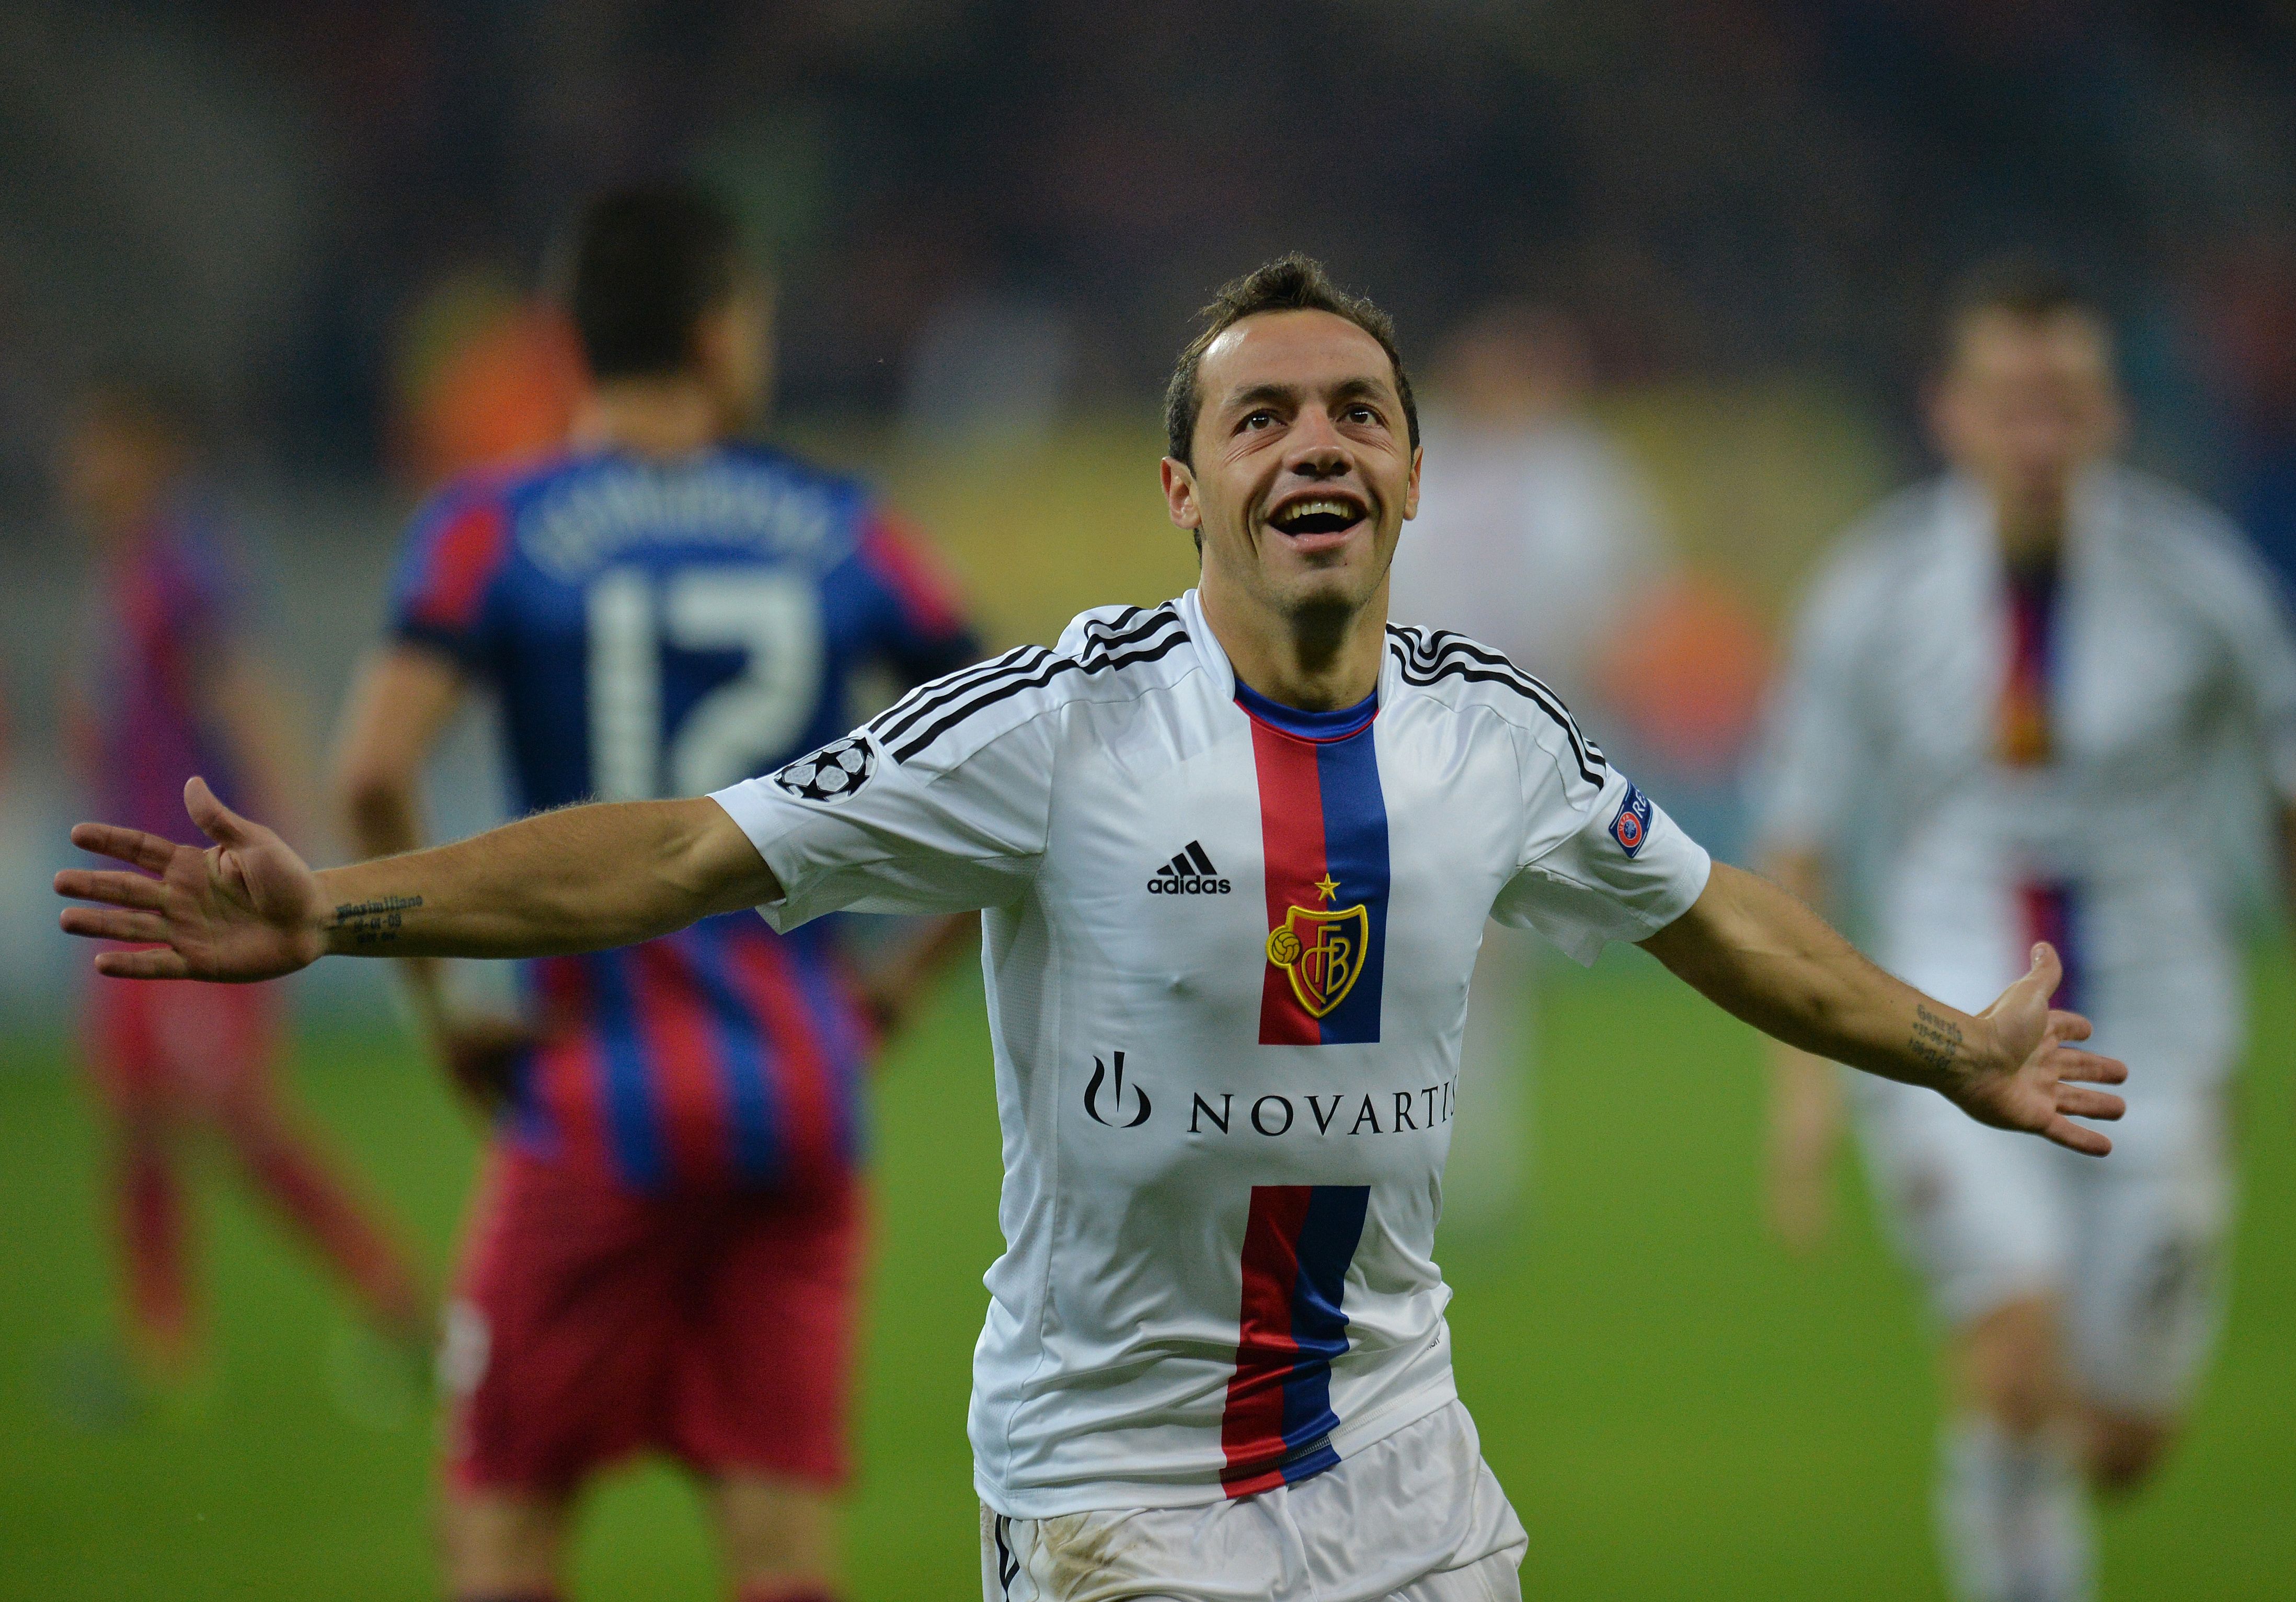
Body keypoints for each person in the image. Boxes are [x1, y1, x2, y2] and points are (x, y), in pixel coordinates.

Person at [60, 255, 2128, 1602]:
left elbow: (1712, 917)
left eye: (1353, 412)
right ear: (1181, 485)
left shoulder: (1492, 736)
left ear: (1408, 474)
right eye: (1262, 415)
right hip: (1118, 1496)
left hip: (1410, 1470)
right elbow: (685, 850)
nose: (1313, 440)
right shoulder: (1052, 725)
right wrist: (336, 907)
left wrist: (1946, 1042)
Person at [326, 185, 984, 1602]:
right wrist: (892, 988)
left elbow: (372, 771)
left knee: (504, 1524)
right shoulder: (842, 528)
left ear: (574, 339)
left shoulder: (491, 526)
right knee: (780, 1549)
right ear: (716, 330)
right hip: (803, 1084)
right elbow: (1009, 761)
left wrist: (444, 1011)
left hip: (596, 1088)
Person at [1754, 259, 2296, 1602]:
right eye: (2007, 401)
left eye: (2064, 402)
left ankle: (2040, 1497)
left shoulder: (2199, 582)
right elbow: (1796, 833)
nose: (2035, 434)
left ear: (2110, 415)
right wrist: (1801, 1082)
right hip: (1945, 1029)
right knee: (2014, 1364)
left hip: (2159, 1039)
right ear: (1948, 412)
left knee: (2123, 1444)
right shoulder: (1870, 590)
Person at [56, 378, 432, 1396]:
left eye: (99, 449)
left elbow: (247, 690)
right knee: (134, 1115)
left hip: (198, 888)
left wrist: (287, 839)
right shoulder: (127, 570)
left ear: (150, 454)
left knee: (233, 1112)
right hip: (133, 880)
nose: (78, 471)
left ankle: (393, 1295)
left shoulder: (186, 567)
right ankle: (159, 1345)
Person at [1393, 304, 1666, 1238]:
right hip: (1435, 739)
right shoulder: (1432, 469)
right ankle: (1456, 1167)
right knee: (1458, 959)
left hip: (1550, 747)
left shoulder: (1583, 477)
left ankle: (1467, 1167)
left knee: (1482, 964)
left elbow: (1628, 604)